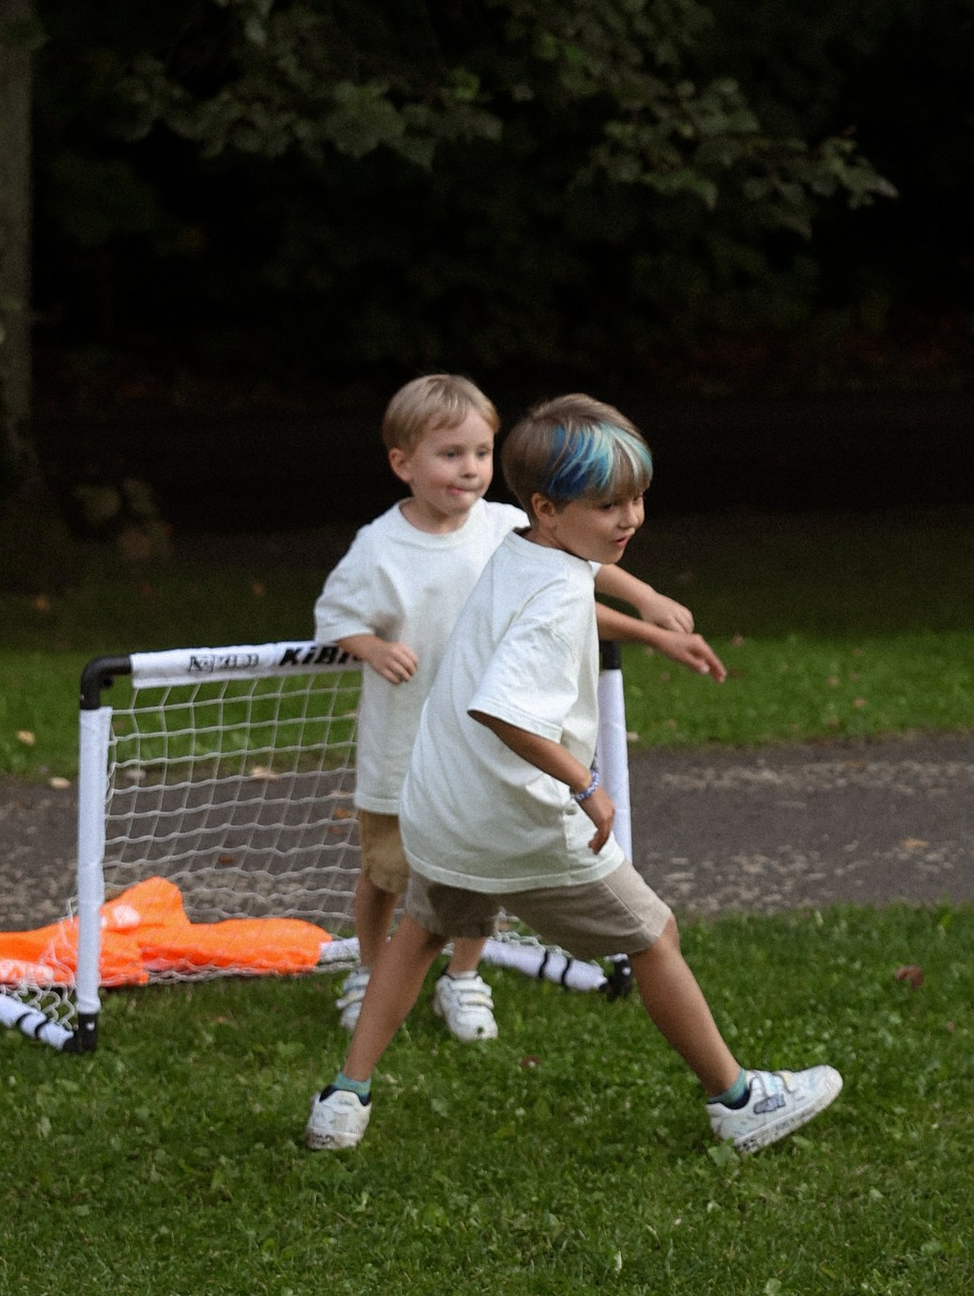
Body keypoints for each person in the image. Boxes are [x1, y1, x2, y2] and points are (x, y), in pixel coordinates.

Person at [305, 392, 841, 1161]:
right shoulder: (558, 594)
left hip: (444, 808)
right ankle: (739, 1101)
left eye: (637, 498)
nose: (630, 519)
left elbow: (581, 578)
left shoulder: (516, 542)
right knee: (655, 935)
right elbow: (506, 711)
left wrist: (647, 602)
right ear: (548, 507)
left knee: (419, 932)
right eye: (608, 505)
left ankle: (344, 1099)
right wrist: (585, 785)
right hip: (518, 817)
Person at [314, 373, 697, 1043]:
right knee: (387, 874)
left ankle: (464, 978)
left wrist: (646, 605)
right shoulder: (380, 546)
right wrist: (370, 646)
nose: (470, 469)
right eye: (450, 454)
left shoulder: (508, 528)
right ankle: (364, 970)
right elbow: (334, 617)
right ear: (403, 463)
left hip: (486, 765)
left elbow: (582, 572)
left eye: (482, 453)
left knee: (473, 883)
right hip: (406, 750)